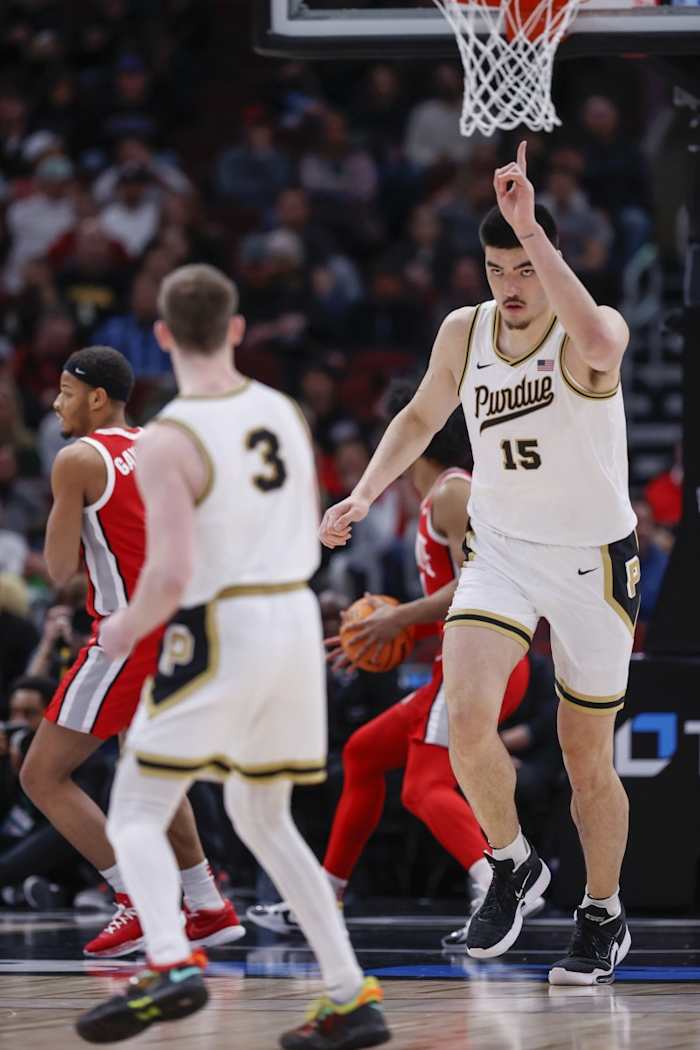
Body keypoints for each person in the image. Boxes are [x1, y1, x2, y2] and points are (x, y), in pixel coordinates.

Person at [320, 142, 639, 986]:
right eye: (498, 265)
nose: (511, 282)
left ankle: (602, 912)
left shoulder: (584, 330)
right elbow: (422, 414)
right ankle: (511, 863)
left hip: (592, 562)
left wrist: (538, 233)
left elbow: (605, 339)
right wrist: (361, 494)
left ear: (549, 259)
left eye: (524, 265)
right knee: (464, 720)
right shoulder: (465, 330)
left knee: (585, 760)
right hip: (501, 550)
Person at [75, 265, 390, 1049]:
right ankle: (351, 995)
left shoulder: (170, 436)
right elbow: (306, 520)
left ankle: (170, 962)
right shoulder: (283, 410)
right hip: (293, 618)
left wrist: (123, 629)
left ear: (163, 337)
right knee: (262, 813)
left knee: (138, 809)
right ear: (239, 329)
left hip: (223, 622)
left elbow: (173, 572)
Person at [248, 385, 540, 949]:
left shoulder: (454, 493)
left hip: (481, 663)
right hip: (460, 663)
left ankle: (501, 887)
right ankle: (325, 896)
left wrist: (397, 619)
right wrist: (384, 632)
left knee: (421, 787)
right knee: (362, 753)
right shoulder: (440, 494)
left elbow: (475, 587)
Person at [20, 345, 243, 959]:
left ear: (97, 397)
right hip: (183, 631)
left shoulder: (76, 459)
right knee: (148, 769)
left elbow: (62, 569)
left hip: (127, 631)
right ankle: (205, 904)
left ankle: (137, 898)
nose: (56, 402)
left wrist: (59, 519)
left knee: (41, 773)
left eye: (65, 392)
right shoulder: (161, 446)